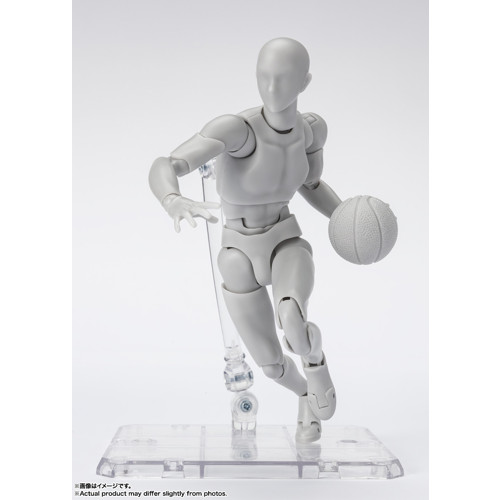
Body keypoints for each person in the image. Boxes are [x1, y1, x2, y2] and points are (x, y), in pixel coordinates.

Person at [149, 38, 342, 442]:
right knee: (270, 364)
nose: (271, 88)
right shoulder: (237, 130)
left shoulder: (311, 130)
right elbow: (168, 163)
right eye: (263, 77)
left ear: (304, 82)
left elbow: (312, 184)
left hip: (284, 240)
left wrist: (343, 216)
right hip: (237, 252)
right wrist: (172, 198)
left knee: (292, 320)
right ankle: (304, 395)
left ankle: (315, 358)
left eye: (283, 78)